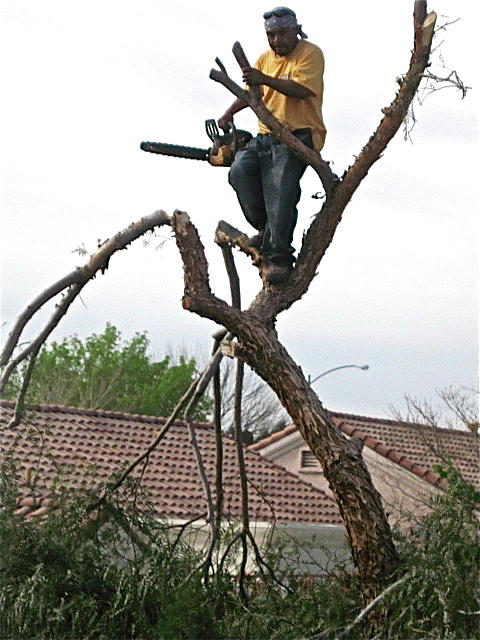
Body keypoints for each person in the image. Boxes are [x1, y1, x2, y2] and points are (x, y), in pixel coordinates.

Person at [218, 6, 326, 284]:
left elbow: (302, 89)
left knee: (281, 188)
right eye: (271, 35)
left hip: (299, 135)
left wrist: (264, 78)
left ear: (295, 30)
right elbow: (252, 93)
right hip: (266, 136)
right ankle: (268, 231)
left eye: (281, 33)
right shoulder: (264, 59)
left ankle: (279, 256)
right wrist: (229, 113)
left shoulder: (310, 53)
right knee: (239, 171)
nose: (277, 40)